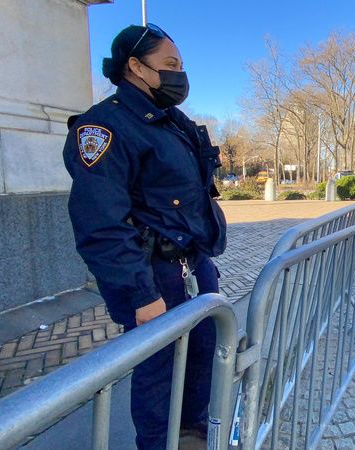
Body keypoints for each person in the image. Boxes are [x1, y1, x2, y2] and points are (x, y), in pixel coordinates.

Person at [62, 23, 226, 449]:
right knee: (159, 370)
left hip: (193, 264)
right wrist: (140, 295)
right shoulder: (104, 127)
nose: (179, 74)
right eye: (170, 64)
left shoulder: (173, 122)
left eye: (181, 65)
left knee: (202, 357)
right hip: (152, 275)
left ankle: (192, 438)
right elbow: (100, 224)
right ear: (135, 65)